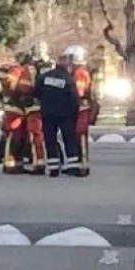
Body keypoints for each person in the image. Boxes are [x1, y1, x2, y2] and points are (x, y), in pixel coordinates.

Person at [34, 53, 79, 177]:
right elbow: (75, 98)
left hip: (48, 114)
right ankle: (73, 166)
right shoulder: (69, 79)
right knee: (69, 140)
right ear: (66, 65)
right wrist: (74, 114)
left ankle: (53, 168)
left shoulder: (44, 77)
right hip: (66, 115)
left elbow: (36, 93)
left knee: (50, 140)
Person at [63, 45, 92, 177]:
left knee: (80, 136)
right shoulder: (76, 72)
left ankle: (83, 165)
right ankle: (76, 164)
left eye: (69, 58)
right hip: (76, 108)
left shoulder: (79, 73)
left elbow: (78, 92)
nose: (67, 62)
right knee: (75, 136)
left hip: (80, 108)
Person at [18, 50, 45, 174]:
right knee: (46, 136)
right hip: (50, 108)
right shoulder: (51, 68)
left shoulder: (28, 70)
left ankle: (38, 163)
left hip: (33, 108)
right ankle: (49, 161)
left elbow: (23, 88)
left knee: (35, 135)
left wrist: (22, 98)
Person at [0, 53, 28, 174]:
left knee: (20, 137)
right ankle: (9, 164)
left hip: (20, 109)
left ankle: (18, 164)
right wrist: (16, 94)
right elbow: (8, 84)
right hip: (14, 109)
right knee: (13, 137)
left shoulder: (22, 71)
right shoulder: (16, 71)